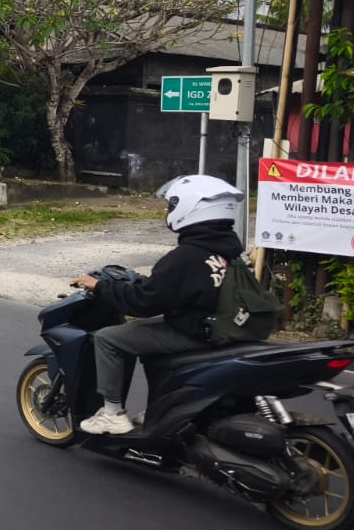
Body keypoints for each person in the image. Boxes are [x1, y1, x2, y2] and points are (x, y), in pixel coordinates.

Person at [73, 174, 245, 436]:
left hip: (197, 333)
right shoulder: (230, 249)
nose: (170, 211)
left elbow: (144, 303)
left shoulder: (186, 256)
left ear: (191, 208)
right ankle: (160, 409)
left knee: (109, 338)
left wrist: (101, 286)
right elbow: (179, 290)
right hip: (222, 326)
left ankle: (112, 414)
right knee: (147, 338)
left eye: (173, 205)